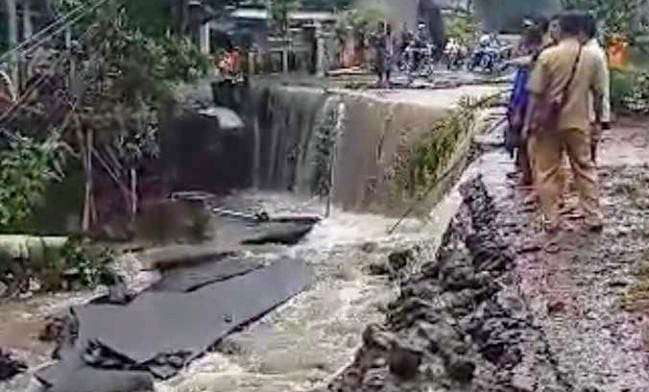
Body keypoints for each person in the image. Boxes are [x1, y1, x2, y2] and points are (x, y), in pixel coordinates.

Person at [524, 11, 609, 233]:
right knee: (584, 168)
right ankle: (593, 216)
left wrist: (528, 123)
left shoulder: (547, 56)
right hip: (578, 123)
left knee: (547, 171)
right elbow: (599, 94)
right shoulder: (593, 57)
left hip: (547, 125)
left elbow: (535, 94)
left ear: (562, 29)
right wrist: (598, 121)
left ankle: (551, 219)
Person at [581, 14, 611, 163]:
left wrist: (599, 120)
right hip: (592, 112)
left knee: (586, 157)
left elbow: (598, 91)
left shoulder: (591, 53)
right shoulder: (591, 50)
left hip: (590, 113)